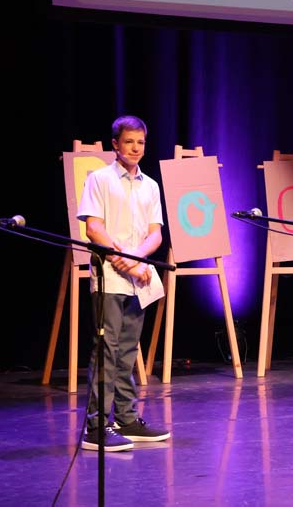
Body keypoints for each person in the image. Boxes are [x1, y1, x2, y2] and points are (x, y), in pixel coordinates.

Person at [77, 115, 171, 451]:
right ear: (115, 144)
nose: (135, 148)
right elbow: (94, 227)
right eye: (129, 142)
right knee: (107, 349)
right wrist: (124, 260)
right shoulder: (99, 179)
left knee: (129, 351)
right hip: (110, 279)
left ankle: (127, 418)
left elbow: (155, 234)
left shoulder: (150, 186)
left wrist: (136, 261)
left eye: (140, 142)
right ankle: (96, 426)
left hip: (138, 279)